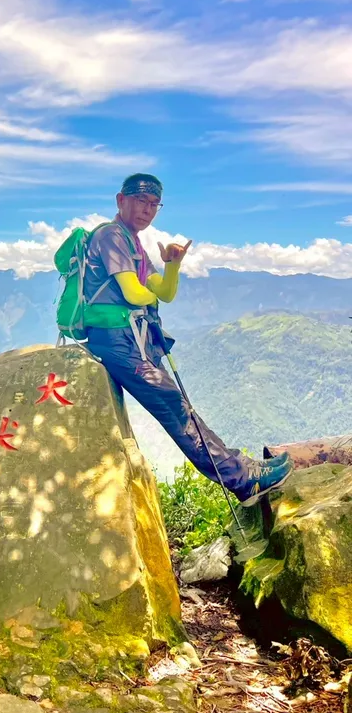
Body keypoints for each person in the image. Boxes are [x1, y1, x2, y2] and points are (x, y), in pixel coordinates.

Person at [83, 173, 292, 507]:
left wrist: (173, 266)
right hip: (116, 342)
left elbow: (163, 293)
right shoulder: (110, 236)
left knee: (178, 405)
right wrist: (147, 292)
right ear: (121, 200)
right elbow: (134, 292)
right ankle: (244, 481)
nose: (147, 210)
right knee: (173, 405)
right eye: (140, 201)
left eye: (154, 204)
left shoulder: (134, 243)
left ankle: (242, 470)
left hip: (132, 340)